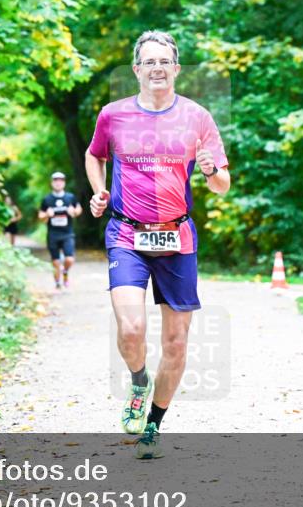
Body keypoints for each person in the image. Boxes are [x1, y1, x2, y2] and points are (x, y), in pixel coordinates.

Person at [85, 30, 230, 458]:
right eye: (149, 62)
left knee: (177, 344)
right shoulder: (113, 115)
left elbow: (223, 185)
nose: (157, 68)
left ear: (176, 69)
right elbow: (95, 154)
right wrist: (98, 190)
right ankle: (137, 381)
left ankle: (153, 425)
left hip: (177, 236)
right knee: (130, 329)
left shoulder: (197, 117)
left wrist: (209, 171)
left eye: (164, 61)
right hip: (127, 233)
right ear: (136, 70)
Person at [38, 172, 82, 289]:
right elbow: (40, 216)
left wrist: (74, 211)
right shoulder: (47, 199)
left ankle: (66, 271)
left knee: (69, 259)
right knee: (56, 263)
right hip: (53, 234)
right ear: (52, 183)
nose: (58, 183)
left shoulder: (70, 197)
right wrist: (47, 214)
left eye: (60, 180)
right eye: (55, 180)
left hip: (67, 233)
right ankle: (58, 284)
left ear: (64, 183)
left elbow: (79, 209)